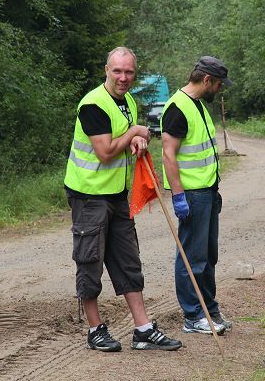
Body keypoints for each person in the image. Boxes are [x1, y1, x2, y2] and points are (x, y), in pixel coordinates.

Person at [64, 47, 182, 352]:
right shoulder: (93, 104)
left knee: (128, 260)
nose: (123, 78)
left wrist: (138, 140)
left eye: (129, 72)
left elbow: (125, 139)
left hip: (117, 194)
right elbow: (104, 152)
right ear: (106, 70)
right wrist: (135, 132)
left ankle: (143, 330)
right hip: (88, 194)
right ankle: (95, 330)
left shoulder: (126, 100)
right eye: (117, 71)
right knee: (90, 261)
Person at [160, 56, 233, 335]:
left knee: (208, 255)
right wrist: (179, 196)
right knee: (192, 257)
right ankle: (193, 315)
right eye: (218, 84)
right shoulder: (178, 108)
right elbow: (169, 155)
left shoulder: (198, 105)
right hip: (192, 194)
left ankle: (209, 309)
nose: (219, 89)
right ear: (206, 80)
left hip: (207, 191)